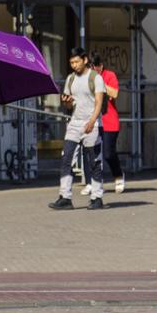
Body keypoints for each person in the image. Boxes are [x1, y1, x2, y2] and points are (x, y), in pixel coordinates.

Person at [48, 48, 105, 210]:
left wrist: (92, 121)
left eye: (77, 62)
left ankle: (97, 197)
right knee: (66, 159)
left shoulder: (96, 78)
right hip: (74, 123)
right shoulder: (70, 79)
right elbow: (69, 104)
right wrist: (65, 101)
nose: (74, 65)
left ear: (85, 60)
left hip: (92, 123)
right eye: (71, 63)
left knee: (94, 161)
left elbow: (99, 102)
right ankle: (65, 197)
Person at [91, 53, 125, 194]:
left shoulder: (109, 75)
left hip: (109, 120)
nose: (94, 71)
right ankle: (95, 183)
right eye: (92, 68)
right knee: (93, 154)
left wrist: (100, 84)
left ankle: (118, 176)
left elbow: (115, 93)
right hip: (94, 120)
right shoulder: (87, 78)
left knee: (108, 154)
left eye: (96, 68)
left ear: (101, 66)